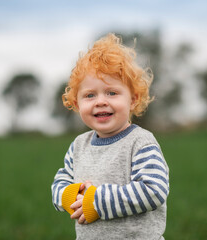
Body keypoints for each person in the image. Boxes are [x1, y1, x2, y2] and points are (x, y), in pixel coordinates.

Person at [51, 33, 169, 240]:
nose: (100, 102)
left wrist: (96, 201)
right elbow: (59, 184)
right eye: (90, 95)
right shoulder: (78, 146)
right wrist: (73, 195)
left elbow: (154, 190)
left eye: (111, 93)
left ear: (132, 100)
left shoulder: (141, 142)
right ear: (77, 104)